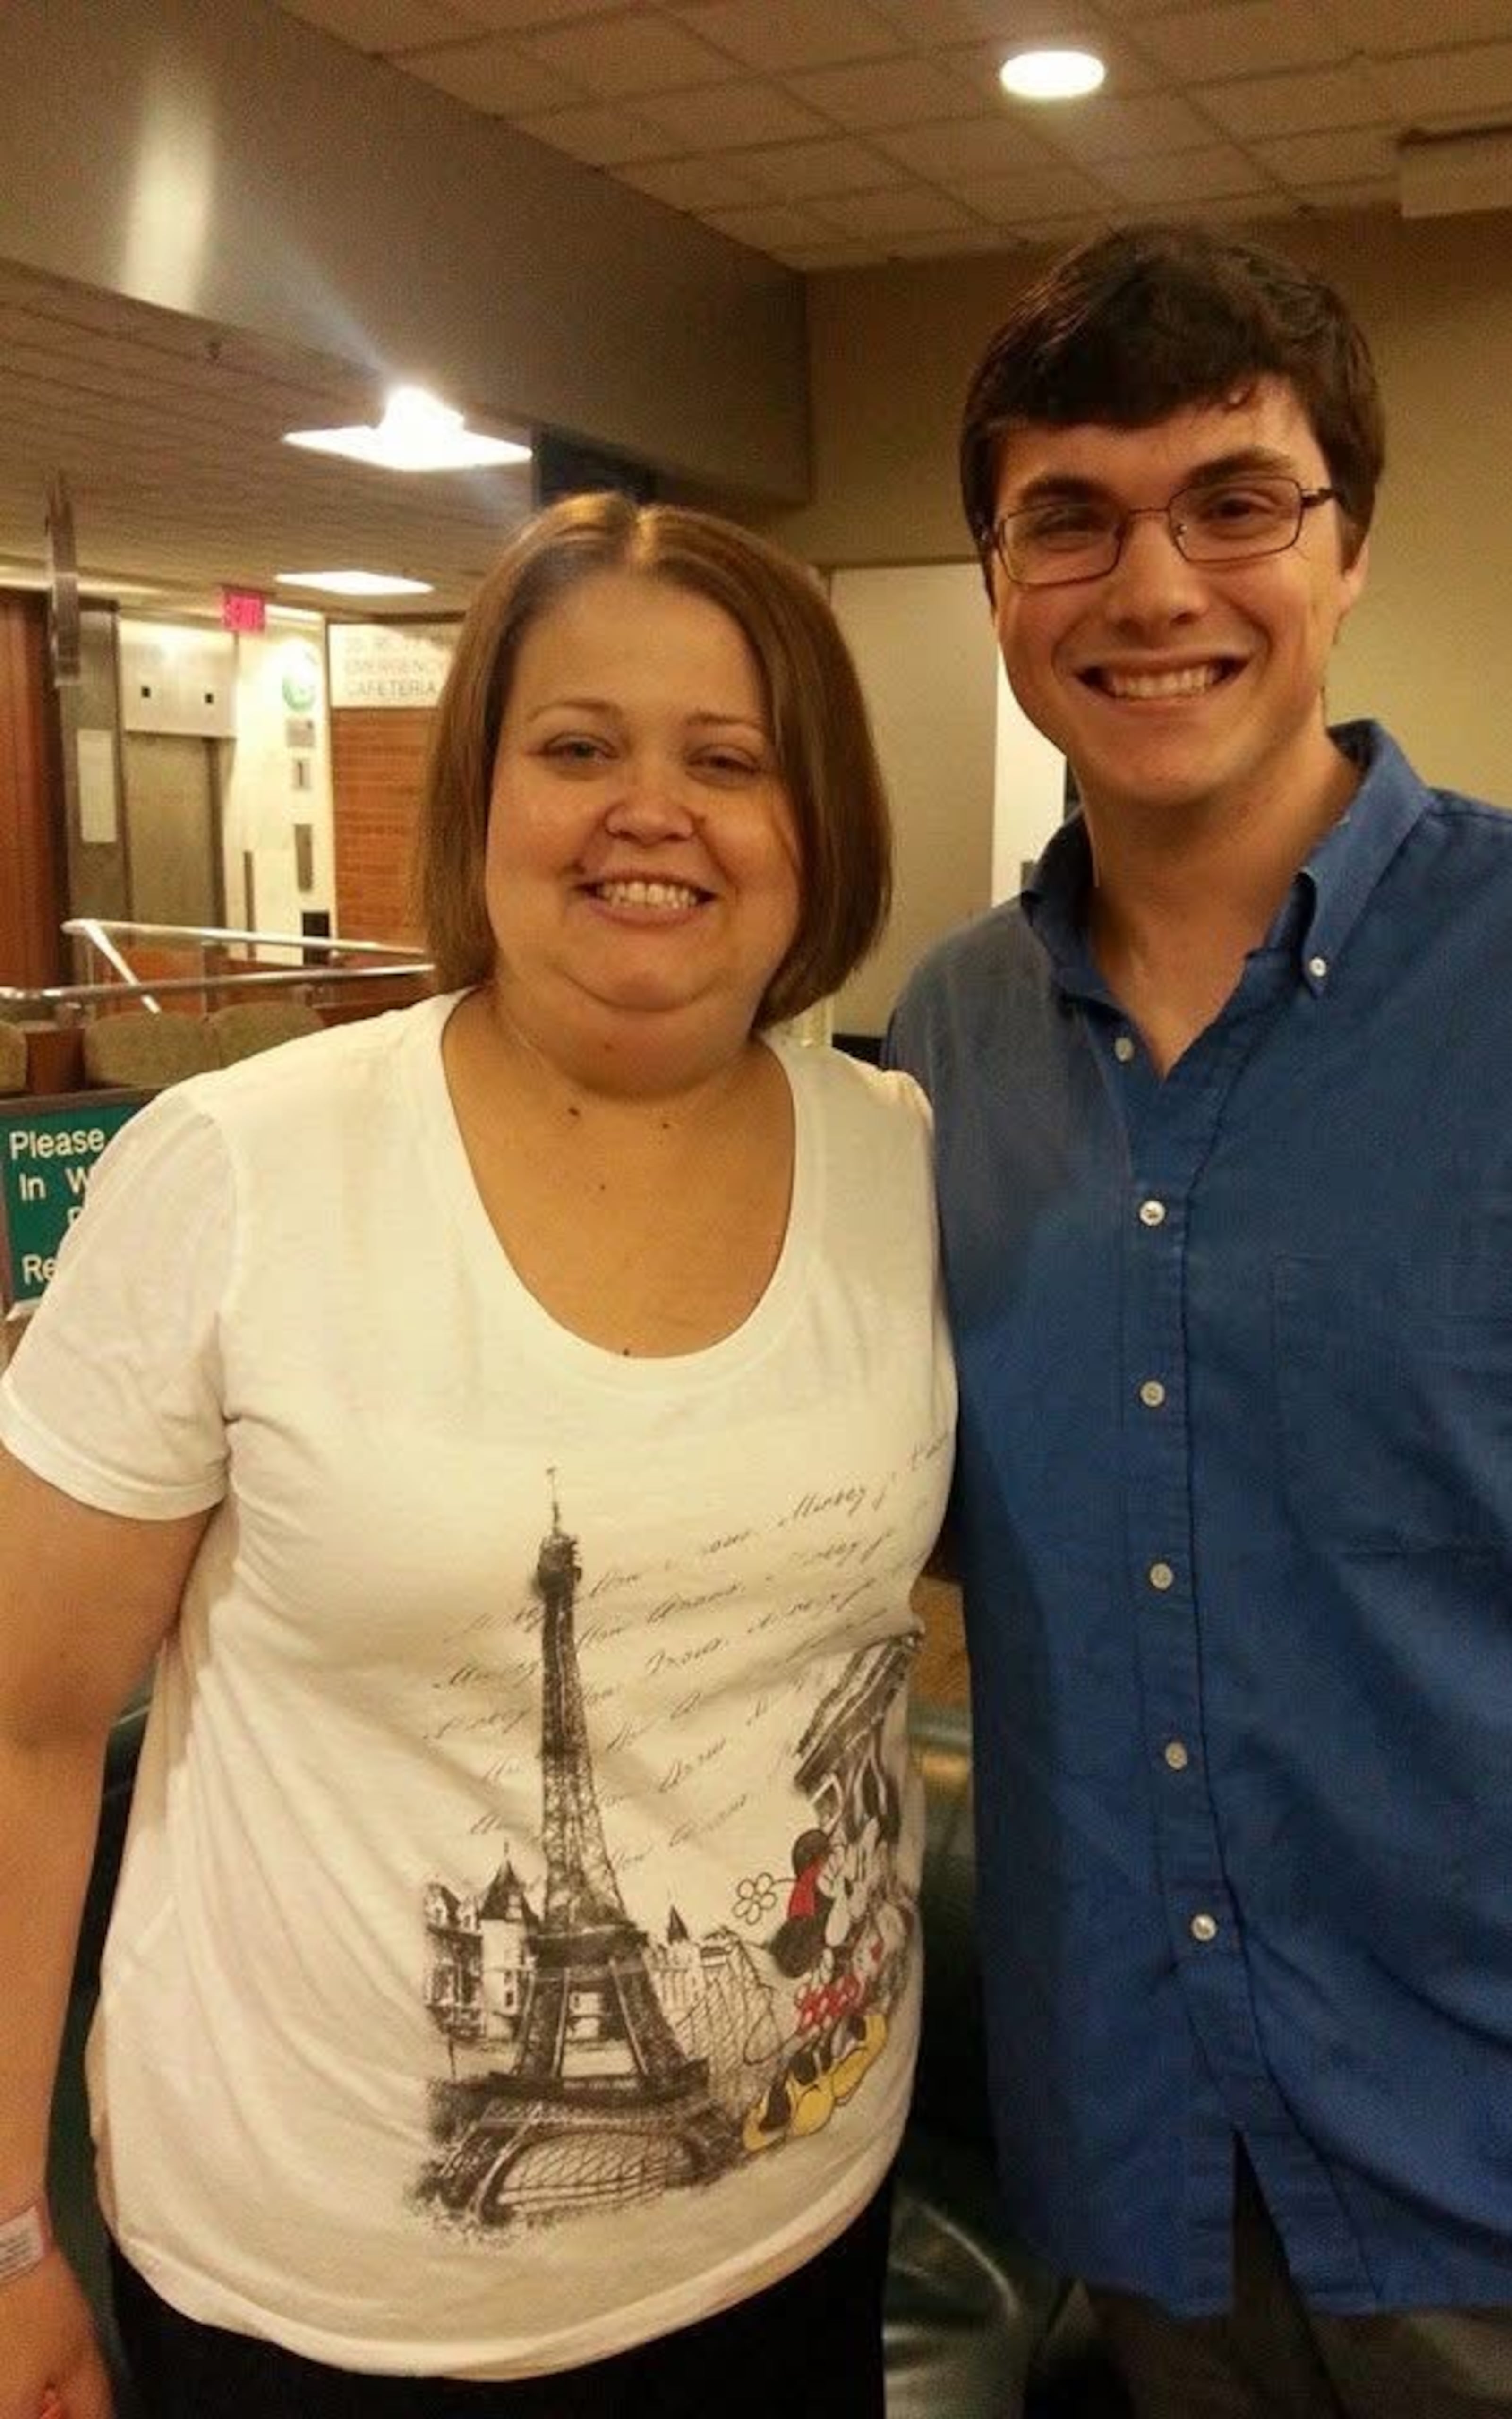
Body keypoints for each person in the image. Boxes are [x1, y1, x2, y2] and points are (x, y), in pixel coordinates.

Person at [885, 223, 1512, 2418]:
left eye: (1233, 500)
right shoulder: (944, 1038)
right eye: (1070, 519)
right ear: (1001, 578)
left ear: (1350, 543)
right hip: (1152, 2190)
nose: (1154, 585)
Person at [0, 491, 954, 2419]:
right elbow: (22, 1722)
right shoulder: (242, 1170)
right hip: (323, 2312)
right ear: (481, 794)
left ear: (813, 824)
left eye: (729, 759)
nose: (650, 808)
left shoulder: (899, 1154)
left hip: (798, 2231)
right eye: (578, 747)